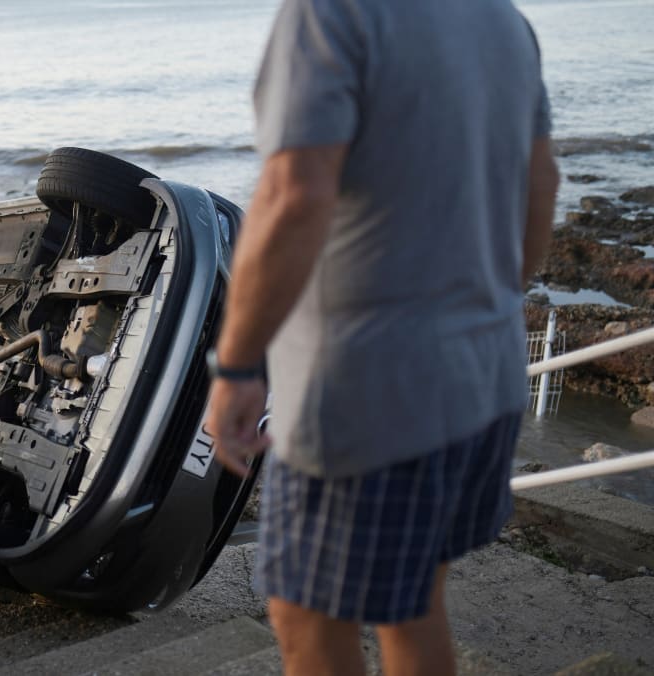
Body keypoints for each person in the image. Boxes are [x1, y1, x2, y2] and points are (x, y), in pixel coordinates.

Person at [204, 1, 560, 674]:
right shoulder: (504, 22)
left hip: (372, 398)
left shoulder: (330, 13)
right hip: (485, 377)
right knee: (413, 602)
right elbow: (540, 185)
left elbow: (292, 196)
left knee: (305, 614)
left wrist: (238, 365)